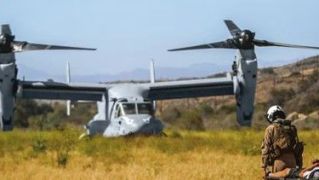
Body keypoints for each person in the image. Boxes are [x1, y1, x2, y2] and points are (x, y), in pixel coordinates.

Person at [261, 105, 303, 175]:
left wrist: (264, 166)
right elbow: (298, 149)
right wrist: (299, 165)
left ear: (271, 116)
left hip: (279, 162)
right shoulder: (292, 128)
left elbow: (265, 149)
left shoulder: (270, 128)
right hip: (293, 162)